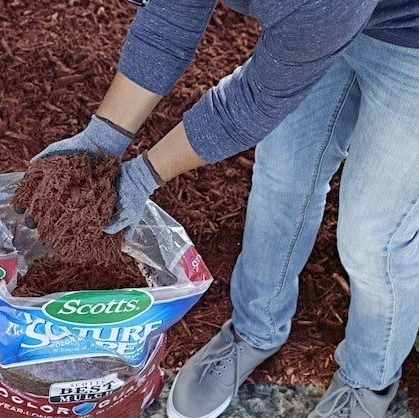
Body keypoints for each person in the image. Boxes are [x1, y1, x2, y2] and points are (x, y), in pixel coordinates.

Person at [31, 1, 419, 417]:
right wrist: (102, 137)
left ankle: (367, 380)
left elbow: (252, 101)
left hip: (408, 42)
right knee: (280, 179)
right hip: (318, 24)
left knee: (373, 238)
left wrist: (144, 176)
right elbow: (169, 19)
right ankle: (256, 329)